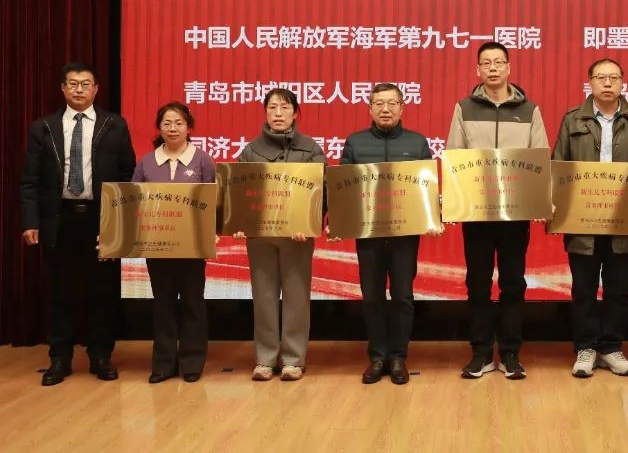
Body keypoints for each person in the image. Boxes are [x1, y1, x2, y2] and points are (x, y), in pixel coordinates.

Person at [21, 62, 136, 386]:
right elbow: (30, 180)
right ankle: (60, 358)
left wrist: (120, 221)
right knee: (60, 292)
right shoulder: (43, 127)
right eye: (73, 84)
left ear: (96, 89)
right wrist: (30, 221)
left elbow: (127, 174)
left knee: (103, 291)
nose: (79, 89)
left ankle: (101, 356)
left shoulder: (114, 125)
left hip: (102, 218)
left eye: (86, 84)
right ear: (63, 88)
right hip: (59, 218)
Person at [446, 41, 548, 380]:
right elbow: (455, 156)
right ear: (478, 70)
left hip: (515, 215)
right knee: (477, 283)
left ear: (508, 68)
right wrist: (456, 202)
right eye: (486, 63)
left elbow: (540, 156)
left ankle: (510, 353)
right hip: (477, 213)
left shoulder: (529, 109)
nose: (493, 68)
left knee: (513, 283)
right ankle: (480, 352)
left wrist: (538, 199)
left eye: (498, 62)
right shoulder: (464, 108)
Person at [553, 58, 628, 379]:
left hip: (623, 220)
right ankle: (585, 348)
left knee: (618, 289)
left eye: (614, 78)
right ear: (590, 83)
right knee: (583, 289)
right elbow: (559, 166)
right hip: (582, 219)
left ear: (623, 82)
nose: (607, 83)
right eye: (601, 78)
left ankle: (611, 348)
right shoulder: (573, 119)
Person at [340, 83, 435, 386]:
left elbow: (427, 188)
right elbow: (343, 189)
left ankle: (398, 357)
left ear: (402, 108)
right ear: (370, 108)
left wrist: (431, 217)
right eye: (379, 103)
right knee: (372, 297)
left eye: (392, 103)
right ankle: (377, 357)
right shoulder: (355, 142)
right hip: (368, 235)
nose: (385, 109)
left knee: (403, 296)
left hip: (405, 235)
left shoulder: (417, 143)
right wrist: (337, 221)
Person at [235, 88, 326, 382]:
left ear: (295, 113)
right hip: (260, 236)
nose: (278, 113)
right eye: (272, 107)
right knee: (263, 297)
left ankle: (293, 360)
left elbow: (321, 193)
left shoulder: (310, 149)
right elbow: (239, 192)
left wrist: (309, 223)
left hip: (297, 236)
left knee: (297, 297)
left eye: (284, 107)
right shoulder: (251, 151)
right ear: (265, 112)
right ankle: (264, 359)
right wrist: (240, 221)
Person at [131, 102, 216, 383]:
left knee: (193, 303)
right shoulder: (146, 162)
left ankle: (192, 363)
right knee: (162, 304)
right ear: (159, 127)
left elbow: (212, 202)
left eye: (179, 123)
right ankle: (164, 364)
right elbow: (133, 202)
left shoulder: (202, 160)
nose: (172, 128)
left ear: (189, 127)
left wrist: (210, 236)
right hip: (157, 246)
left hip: (192, 247)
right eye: (167, 123)